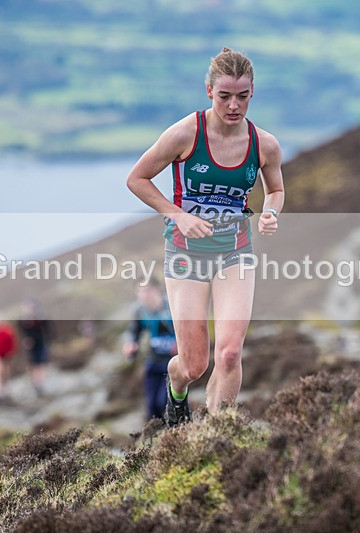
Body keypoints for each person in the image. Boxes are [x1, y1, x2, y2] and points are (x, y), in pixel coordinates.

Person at [126, 47, 284, 427]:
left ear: (252, 93)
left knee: (229, 355)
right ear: (208, 91)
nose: (233, 106)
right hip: (186, 254)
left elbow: (275, 190)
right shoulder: (184, 133)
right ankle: (176, 390)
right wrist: (178, 216)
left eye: (242, 96)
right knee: (194, 364)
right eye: (224, 96)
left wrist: (269, 212)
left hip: (236, 252)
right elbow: (136, 179)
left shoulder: (264, 144)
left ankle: (216, 435)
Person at [122, 278, 178, 421]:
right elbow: (133, 333)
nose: (143, 295)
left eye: (147, 290)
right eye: (139, 292)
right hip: (153, 361)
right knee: (152, 406)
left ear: (157, 289)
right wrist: (131, 345)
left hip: (172, 363)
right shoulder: (139, 310)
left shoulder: (171, 305)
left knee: (165, 402)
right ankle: (162, 439)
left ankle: (181, 431)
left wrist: (181, 346)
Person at [18, 299, 52, 397]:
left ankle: (41, 384)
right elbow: (22, 332)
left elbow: (48, 329)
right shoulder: (23, 320)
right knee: (33, 364)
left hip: (41, 342)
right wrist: (25, 340)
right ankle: (36, 384)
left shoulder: (41, 317)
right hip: (30, 346)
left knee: (41, 363)